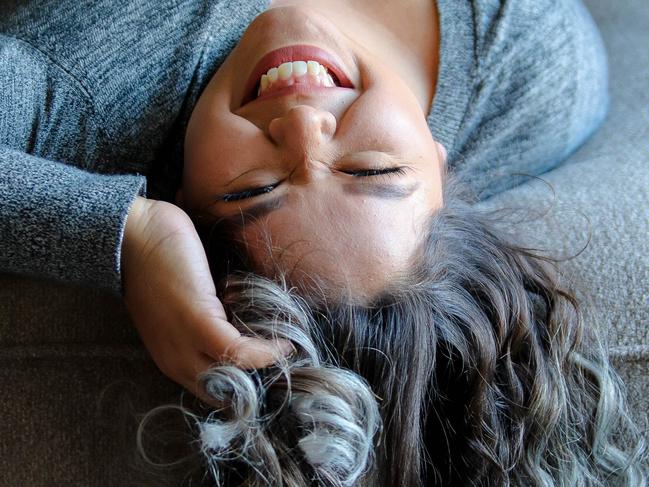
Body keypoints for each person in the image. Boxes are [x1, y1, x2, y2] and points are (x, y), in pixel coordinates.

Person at [1, 0, 644, 484]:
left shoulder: (93, 85)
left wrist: (127, 235)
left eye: (252, 189)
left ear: (183, 193)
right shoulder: (532, 67)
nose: (305, 125)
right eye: (373, 170)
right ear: (442, 166)